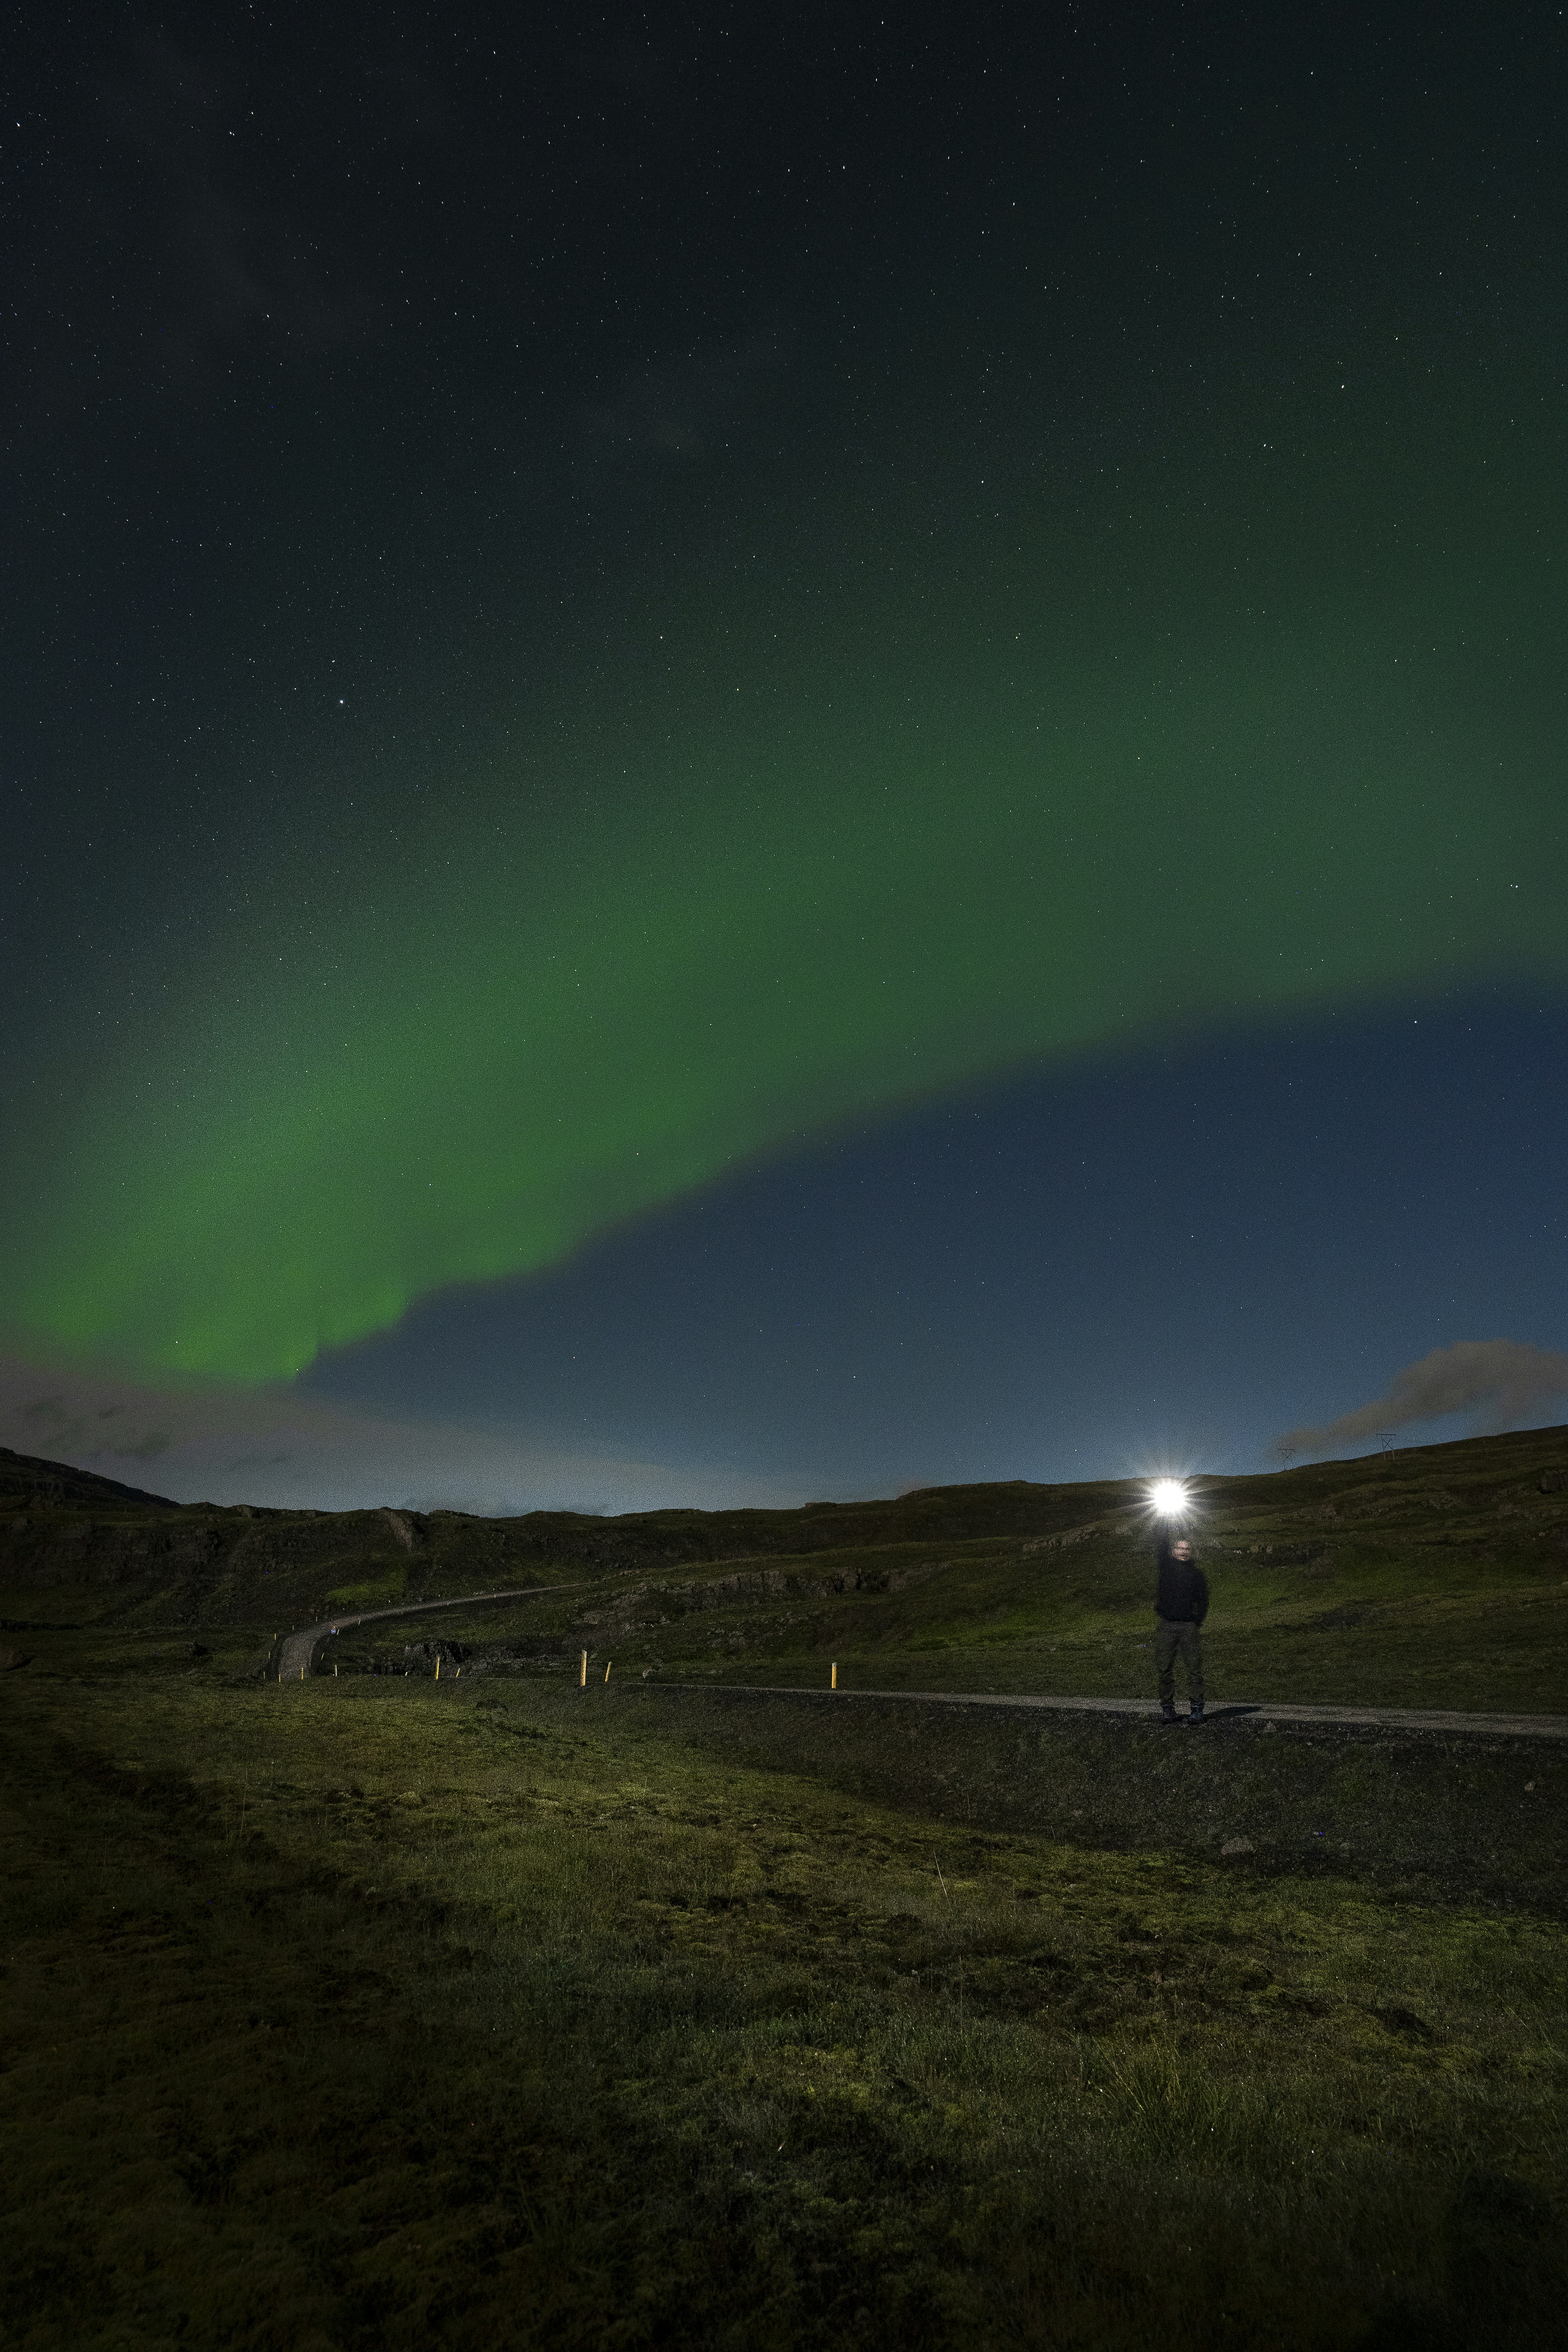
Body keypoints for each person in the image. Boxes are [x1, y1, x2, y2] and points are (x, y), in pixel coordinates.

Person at [1154, 1532, 1209, 1723]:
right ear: (1173, 1551)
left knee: (1194, 1669)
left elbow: (1204, 1601)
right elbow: (1161, 1543)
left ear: (1191, 1552)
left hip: (1188, 1627)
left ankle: (1197, 1709)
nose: (1183, 1552)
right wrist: (1165, 1519)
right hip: (1167, 1625)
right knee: (1164, 1668)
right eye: (1180, 1548)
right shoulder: (1167, 1568)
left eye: (1187, 1549)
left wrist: (1196, 1621)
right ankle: (1168, 1710)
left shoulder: (1197, 1575)